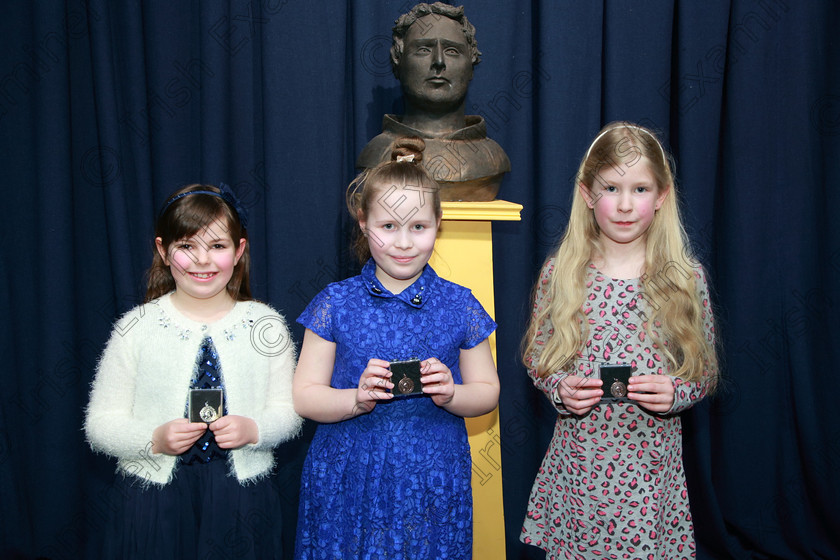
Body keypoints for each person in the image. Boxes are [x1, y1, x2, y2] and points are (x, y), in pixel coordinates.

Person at [520, 122, 719, 559]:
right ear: (589, 195)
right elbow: (538, 360)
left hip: (650, 475)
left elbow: (703, 372)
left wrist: (677, 392)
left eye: (641, 189)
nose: (626, 205)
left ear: (662, 196)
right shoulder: (561, 274)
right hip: (580, 472)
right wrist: (560, 389)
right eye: (611, 187)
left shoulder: (685, 280)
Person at [293, 137, 500, 558]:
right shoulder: (335, 302)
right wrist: (355, 398)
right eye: (389, 226)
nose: (404, 243)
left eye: (418, 227)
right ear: (363, 222)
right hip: (348, 474)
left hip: (433, 478)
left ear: (438, 224)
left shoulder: (461, 304)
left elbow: (489, 392)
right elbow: (304, 396)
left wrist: (453, 392)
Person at [85, 184, 302, 559]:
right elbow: (100, 424)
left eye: (217, 246)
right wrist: (153, 439)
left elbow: (290, 412)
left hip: (241, 498)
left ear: (239, 251)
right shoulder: (135, 326)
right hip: (152, 497)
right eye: (187, 246)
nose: (202, 260)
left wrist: (255, 430)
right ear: (163, 251)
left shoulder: (266, 325)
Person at [356, 2, 510, 201]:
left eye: (452, 51)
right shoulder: (378, 154)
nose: (438, 61)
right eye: (423, 49)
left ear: (471, 65)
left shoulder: (492, 159)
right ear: (398, 61)